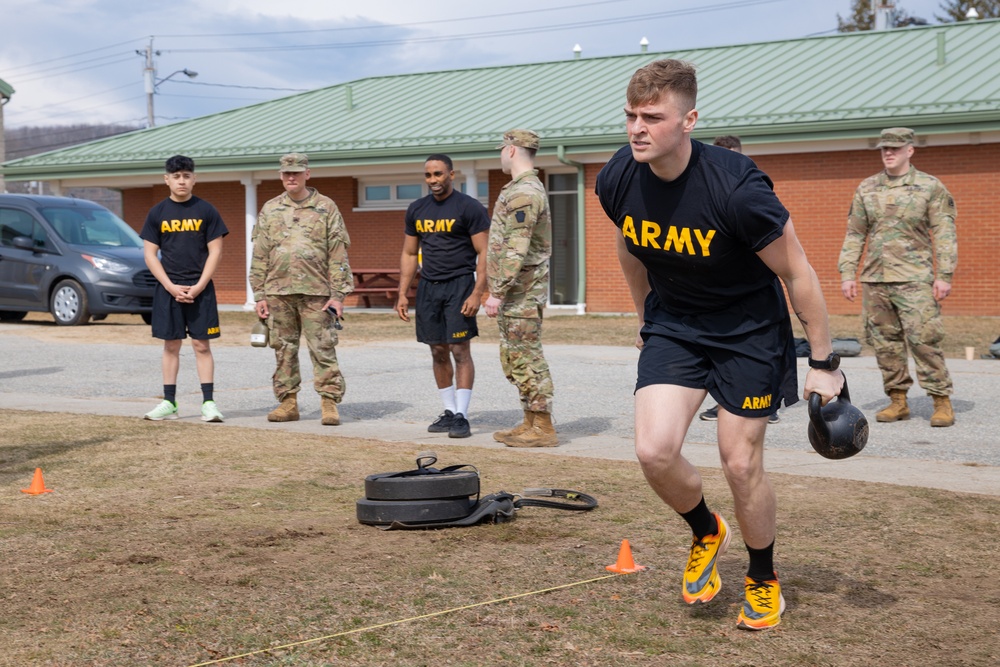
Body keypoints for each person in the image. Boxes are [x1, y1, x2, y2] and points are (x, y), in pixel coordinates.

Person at [595, 59, 843, 631]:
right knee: (653, 451)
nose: (637, 128)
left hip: (748, 332)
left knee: (739, 462)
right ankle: (707, 530)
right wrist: (642, 316)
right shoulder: (618, 176)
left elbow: (798, 272)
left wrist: (825, 363)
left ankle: (762, 579)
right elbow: (631, 246)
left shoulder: (736, 187)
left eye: (652, 117)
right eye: (631, 116)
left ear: (689, 120)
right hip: (675, 323)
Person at [839, 128, 957, 427]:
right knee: (885, 344)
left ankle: (941, 400)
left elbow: (944, 233)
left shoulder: (930, 187)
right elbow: (855, 233)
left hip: (915, 278)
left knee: (924, 340)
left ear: (909, 150)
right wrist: (847, 273)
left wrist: (944, 275)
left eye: (895, 148)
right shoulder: (867, 188)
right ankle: (897, 400)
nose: (888, 153)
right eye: (884, 149)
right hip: (876, 279)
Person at [249, 153, 353, 426]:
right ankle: (288, 403)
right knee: (283, 348)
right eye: (286, 173)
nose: (291, 177)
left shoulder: (325, 207)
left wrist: (337, 295)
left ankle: (329, 403)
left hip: (317, 292)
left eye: (296, 172)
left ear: (308, 173)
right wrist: (258, 295)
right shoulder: (270, 209)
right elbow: (260, 253)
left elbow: (338, 253)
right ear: (281, 175)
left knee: (323, 347)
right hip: (277, 292)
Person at [396, 154, 490, 439]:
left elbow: (485, 252)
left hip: (459, 285)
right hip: (428, 288)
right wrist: (402, 293)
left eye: (438, 174)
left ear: (451, 174)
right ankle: (448, 411)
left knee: (460, 350)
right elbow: (410, 253)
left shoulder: (469, 207)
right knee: (437, 350)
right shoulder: (417, 209)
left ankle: (462, 415)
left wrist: (478, 292)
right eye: (428, 175)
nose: (433, 180)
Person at [140, 155, 228, 423]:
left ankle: (209, 403)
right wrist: (169, 286)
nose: (182, 180)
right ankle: (169, 402)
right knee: (171, 345)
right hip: (169, 290)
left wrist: (200, 285)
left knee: (202, 345)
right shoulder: (157, 213)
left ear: (194, 179)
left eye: (186, 176)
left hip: (201, 289)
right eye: (176, 176)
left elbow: (216, 252)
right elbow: (150, 255)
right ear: (167, 179)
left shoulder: (206, 211)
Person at [484, 129, 557, 448]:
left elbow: (516, 246)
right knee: (515, 356)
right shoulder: (518, 189)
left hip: (521, 292)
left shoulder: (525, 192)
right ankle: (529, 420)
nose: (500, 154)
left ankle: (543, 427)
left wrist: (497, 291)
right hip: (517, 292)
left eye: (502, 148)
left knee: (527, 357)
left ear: (512, 150)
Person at [700, 135, 780, 425]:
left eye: (732, 154)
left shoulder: (751, 186)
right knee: (714, 349)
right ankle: (723, 401)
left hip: (754, 284)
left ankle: (766, 403)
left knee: (759, 348)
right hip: (718, 287)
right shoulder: (706, 184)